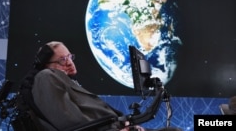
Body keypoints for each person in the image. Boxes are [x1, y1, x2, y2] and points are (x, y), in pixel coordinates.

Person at [23, 41, 182, 131]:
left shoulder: (70, 84)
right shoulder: (45, 77)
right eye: (62, 60)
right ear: (46, 65)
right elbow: (70, 123)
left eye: (70, 57)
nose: (70, 63)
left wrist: (128, 125)